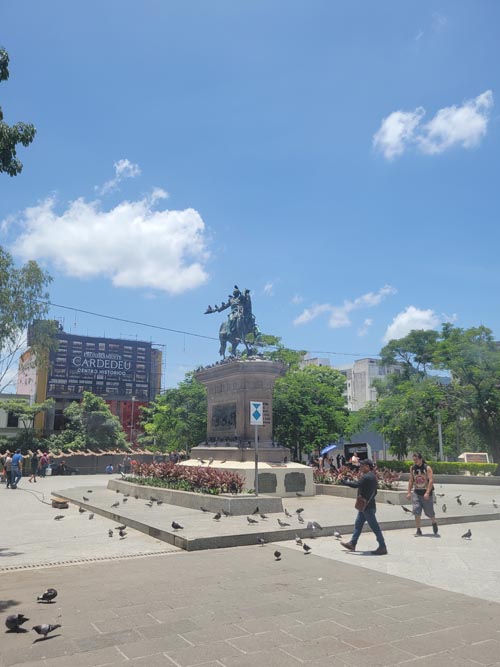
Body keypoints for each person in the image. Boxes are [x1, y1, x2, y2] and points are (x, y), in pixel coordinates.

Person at [340, 458, 388, 555]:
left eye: (362, 466)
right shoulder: (372, 476)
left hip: (367, 508)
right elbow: (375, 492)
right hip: (366, 506)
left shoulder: (367, 477)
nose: (360, 467)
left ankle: (382, 546)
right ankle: (352, 543)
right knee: (358, 524)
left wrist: (343, 481)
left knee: (375, 527)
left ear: (367, 466)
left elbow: (356, 485)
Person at [407, 452, 439, 537]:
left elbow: (431, 480)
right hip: (417, 493)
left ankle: (434, 522)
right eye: (414, 460)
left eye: (416, 460)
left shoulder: (427, 468)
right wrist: (409, 492)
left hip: (426, 493)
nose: (415, 461)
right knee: (416, 511)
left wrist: (428, 492)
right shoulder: (412, 468)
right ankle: (418, 530)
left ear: (421, 459)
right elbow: (411, 480)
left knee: (429, 512)